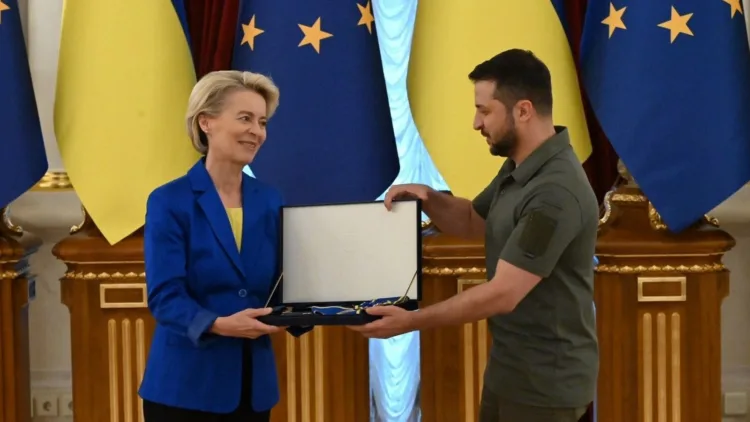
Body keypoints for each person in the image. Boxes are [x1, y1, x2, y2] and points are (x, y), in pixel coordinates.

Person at [349, 49, 599, 422]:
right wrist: (428, 197)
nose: (476, 123)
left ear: (523, 111)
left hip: (546, 383)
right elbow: (473, 220)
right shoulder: (522, 167)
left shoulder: (554, 192)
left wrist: (411, 321)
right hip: (510, 370)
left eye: (484, 111)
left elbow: (504, 293)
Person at [138, 70, 308, 422]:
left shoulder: (271, 200)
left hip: (253, 390)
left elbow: (285, 286)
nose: (257, 131)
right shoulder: (169, 201)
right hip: (184, 389)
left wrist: (340, 307)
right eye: (245, 118)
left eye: (262, 122)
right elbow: (165, 296)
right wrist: (217, 323)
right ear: (206, 122)